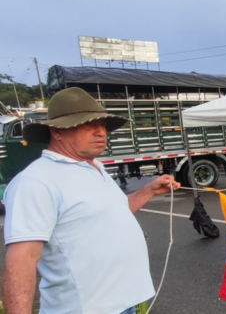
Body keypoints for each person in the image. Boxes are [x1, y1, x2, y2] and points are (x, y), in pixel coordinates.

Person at [2, 87, 180, 314]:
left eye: (103, 125)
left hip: (122, 305)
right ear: (57, 131)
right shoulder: (36, 181)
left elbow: (112, 212)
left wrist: (147, 191)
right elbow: (21, 260)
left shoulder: (94, 167)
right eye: (88, 124)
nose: (100, 132)